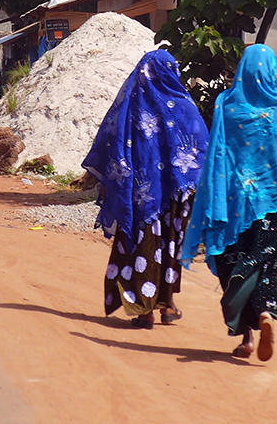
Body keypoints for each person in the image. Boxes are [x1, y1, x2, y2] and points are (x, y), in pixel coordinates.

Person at [182, 44, 277, 361]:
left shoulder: (226, 105)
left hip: (233, 203)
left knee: (233, 264)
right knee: (266, 267)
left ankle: (246, 337)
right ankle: (266, 313)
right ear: (273, 72)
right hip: (274, 204)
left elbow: (217, 156)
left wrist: (210, 200)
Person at [82, 49, 209, 329]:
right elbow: (201, 148)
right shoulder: (185, 105)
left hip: (142, 197)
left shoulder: (132, 107)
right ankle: (167, 305)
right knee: (170, 246)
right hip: (175, 198)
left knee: (143, 247)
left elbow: (112, 145)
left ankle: (144, 311)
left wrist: (113, 188)